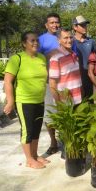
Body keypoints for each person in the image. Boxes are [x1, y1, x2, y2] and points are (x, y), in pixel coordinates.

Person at [4, 31, 48, 169]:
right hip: (24, 101)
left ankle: (34, 155)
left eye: (37, 41)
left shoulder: (41, 58)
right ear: (24, 43)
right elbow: (8, 82)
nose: (35, 43)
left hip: (40, 100)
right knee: (27, 130)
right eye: (32, 40)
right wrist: (10, 101)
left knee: (36, 129)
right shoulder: (17, 59)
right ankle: (29, 160)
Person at [38, 12, 61, 156]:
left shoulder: (65, 36)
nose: (54, 25)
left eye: (56, 22)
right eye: (51, 23)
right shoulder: (41, 40)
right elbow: (36, 59)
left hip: (66, 82)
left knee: (65, 111)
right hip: (49, 82)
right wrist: (51, 53)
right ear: (46, 25)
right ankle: (53, 142)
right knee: (50, 113)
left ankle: (65, 139)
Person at [49, 28, 83, 106]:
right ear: (58, 40)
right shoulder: (56, 58)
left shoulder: (74, 54)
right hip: (65, 103)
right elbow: (52, 83)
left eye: (71, 37)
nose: (69, 40)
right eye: (65, 38)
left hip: (78, 100)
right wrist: (58, 103)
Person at [72, 15, 96, 99]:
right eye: (82, 25)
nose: (85, 27)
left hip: (88, 77)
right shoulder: (70, 42)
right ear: (75, 27)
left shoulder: (91, 41)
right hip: (74, 78)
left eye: (85, 25)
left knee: (89, 101)